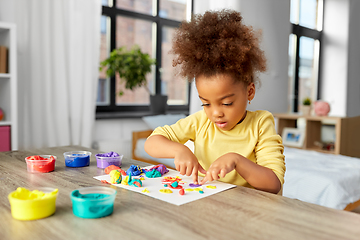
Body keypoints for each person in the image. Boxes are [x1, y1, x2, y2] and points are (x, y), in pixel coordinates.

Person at [144, 9, 285, 194]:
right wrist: (179, 150)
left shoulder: (260, 123)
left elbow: (273, 184)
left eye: (226, 103)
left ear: (249, 92)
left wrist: (237, 161)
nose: (215, 113)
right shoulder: (201, 121)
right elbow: (151, 143)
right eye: (206, 103)